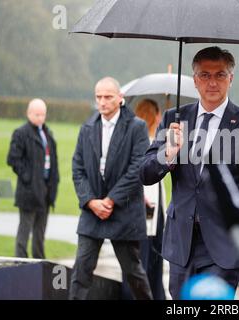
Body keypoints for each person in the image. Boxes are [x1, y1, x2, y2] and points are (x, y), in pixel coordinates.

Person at [141, 46, 239, 299]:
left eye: (220, 75)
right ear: (195, 80)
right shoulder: (174, 119)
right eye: (205, 75)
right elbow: (146, 174)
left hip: (226, 244)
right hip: (181, 242)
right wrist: (169, 153)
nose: (212, 82)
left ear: (231, 78)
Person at [69, 77, 153, 300]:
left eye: (108, 97)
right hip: (92, 211)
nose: (103, 102)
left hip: (123, 211)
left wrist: (111, 200)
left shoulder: (137, 127)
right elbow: (77, 168)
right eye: (98, 97)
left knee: (133, 273)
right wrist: (91, 201)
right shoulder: (87, 127)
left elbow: (138, 168)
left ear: (120, 98)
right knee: (81, 272)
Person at [7, 99, 59, 259]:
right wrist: (28, 177)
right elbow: (13, 159)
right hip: (29, 192)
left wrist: (52, 185)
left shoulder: (47, 134)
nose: (41, 118)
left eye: (43, 114)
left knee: (39, 235)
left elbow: (53, 162)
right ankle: (20, 264)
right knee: (24, 232)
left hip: (45, 191)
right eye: (37, 114)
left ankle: (39, 265)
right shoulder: (21, 133)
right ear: (29, 114)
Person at [134, 99, 167, 300]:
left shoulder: (154, 140)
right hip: (146, 208)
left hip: (157, 209)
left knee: (156, 259)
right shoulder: (142, 142)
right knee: (144, 260)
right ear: (155, 116)